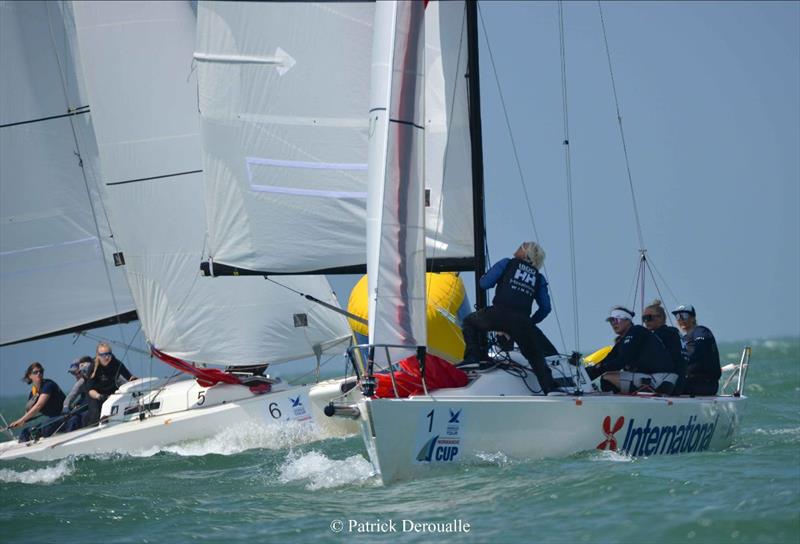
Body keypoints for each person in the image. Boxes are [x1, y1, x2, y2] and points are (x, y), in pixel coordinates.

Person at [461, 241, 557, 395]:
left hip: (498, 314)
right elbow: (545, 308)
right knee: (535, 356)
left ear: (526, 254)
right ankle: (550, 389)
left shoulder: (507, 263)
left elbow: (484, 284)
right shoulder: (539, 278)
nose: (518, 247)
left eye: (521, 246)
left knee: (469, 322)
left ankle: (475, 357)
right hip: (522, 321)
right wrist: (531, 323)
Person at [585, 306, 678, 394]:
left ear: (627, 320)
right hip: (659, 378)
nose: (613, 323)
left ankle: (622, 406)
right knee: (607, 373)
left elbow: (620, 362)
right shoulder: (623, 340)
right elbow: (608, 360)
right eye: (611, 321)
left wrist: (598, 368)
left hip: (661, 379)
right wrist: (585, 374)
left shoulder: (637, 331)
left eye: (616, 319)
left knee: (606, 378)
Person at [8, 362, 67, 441]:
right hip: (53, 419)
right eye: (35, 372)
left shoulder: (48, 385)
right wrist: (21, 421)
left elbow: (39, 405)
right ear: (30, 376)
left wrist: (21, 420)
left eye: (41, 371)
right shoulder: (33, 393)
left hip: (64, 416)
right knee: (24, 433)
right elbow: (29, 412)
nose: (39, 373)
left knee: (45, 427)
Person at [672, 304, 721, 396]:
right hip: (690, 381)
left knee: (669, 387)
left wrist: (682, 363)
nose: (681, 319)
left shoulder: (701, 331)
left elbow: (699, 350)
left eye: (684, 315)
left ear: (693, 318)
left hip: (705, 385)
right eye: (678, 316)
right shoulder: (684, 338)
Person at [84, 343, 137, 426]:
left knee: (119, 409)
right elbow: (91, 390)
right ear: (98, 355)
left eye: (109, 354)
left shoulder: (116, 363)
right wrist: (100, 396)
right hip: (95, 394)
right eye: (103, 355)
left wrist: (136, 381)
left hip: (111, 390)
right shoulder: (93, 367)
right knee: (96, 413)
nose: (107, 357)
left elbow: (129, 377)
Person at [642, 300, 688, 395]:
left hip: (670, 385)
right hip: (681, 384)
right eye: (644, 318)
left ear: (661, 318)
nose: (646, 321)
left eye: (648, 318)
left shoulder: (661, 335)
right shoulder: (674, 332)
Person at [62, 356, 92, 432]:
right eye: (72, 373)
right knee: (72, 419)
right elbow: (70, 397)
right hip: (86, 407)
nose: (75, 375)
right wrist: (66, 407)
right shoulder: (81, 383)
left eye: (77, 372)